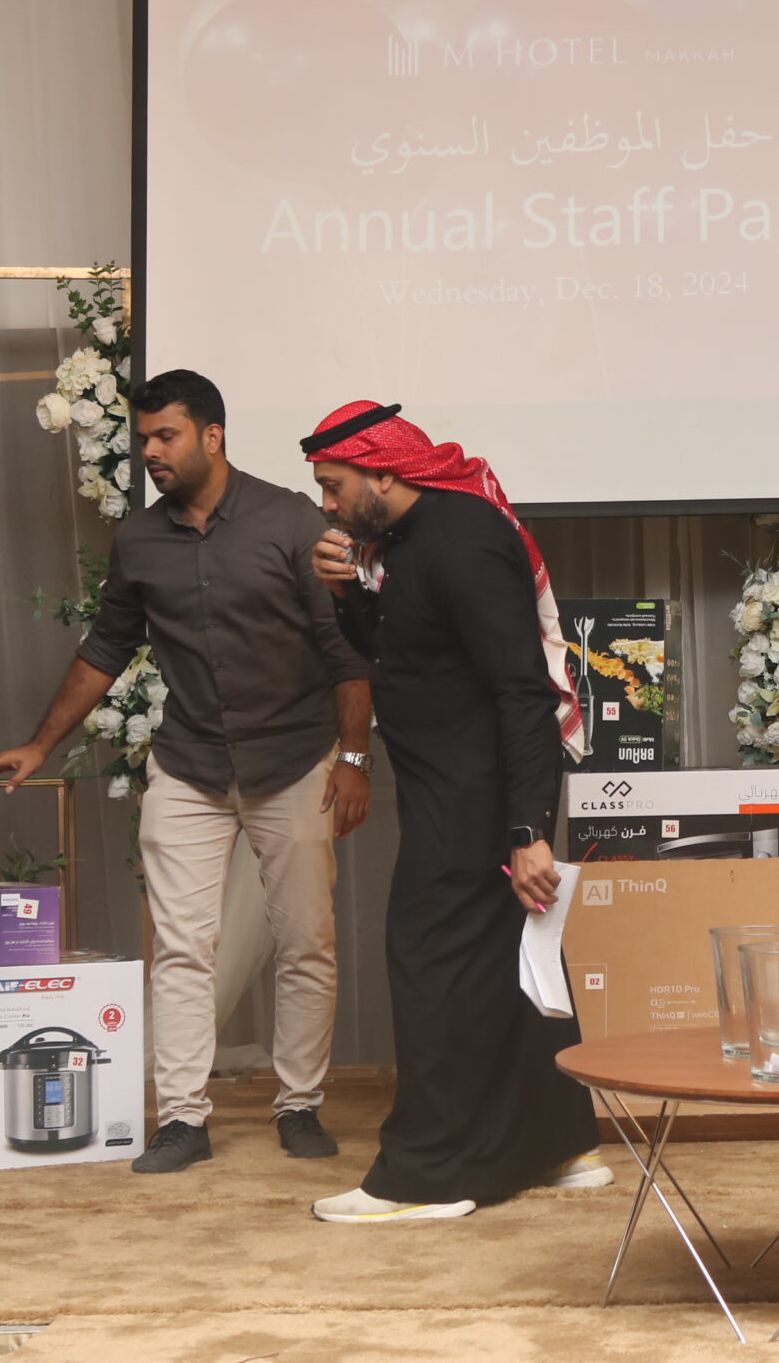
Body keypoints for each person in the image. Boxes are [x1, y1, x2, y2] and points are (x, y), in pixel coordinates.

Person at [0, 369, 372, 1172]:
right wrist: (41, 743)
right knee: (182, 946)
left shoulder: (290, 519)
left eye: (166, 436)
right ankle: (183, 1117)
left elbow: (345, 649)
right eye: (144, 437)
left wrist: (354, 757)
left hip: (295, 758)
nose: (150, 450)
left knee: (306, 940)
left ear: (211, 437)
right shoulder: (140, 541)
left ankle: (299, 1104)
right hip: (189, 763)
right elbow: (105, 648)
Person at [299, 401, 606, 1223]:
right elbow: (401, 650)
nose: (327, 504)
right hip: (454, 786)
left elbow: (522, 692)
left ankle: (427, 1175)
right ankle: (559, 1143)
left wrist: (526, 831)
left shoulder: (462, 543)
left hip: (479, 796)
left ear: (382, 473)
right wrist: (347, 595)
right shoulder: (406, 542)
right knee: (507, 963)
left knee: (430, 962)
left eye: (333, 485)